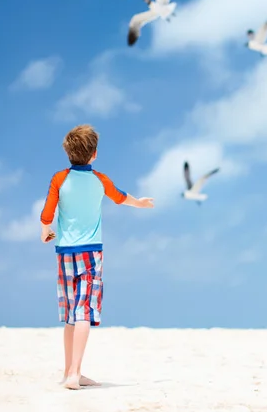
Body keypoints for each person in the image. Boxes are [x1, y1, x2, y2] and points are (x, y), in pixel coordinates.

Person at [39, 124, 154, 390]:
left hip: (64, 253)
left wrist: (46, 230)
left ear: (68, 153)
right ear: (94, 154)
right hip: (91, 253)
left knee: (70, 315)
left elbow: (48, 211)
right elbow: (121, 198)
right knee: (84, 313)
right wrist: (142, 203)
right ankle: (74, 374)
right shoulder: (100, 180)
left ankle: (71, 371)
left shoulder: (59, 178)